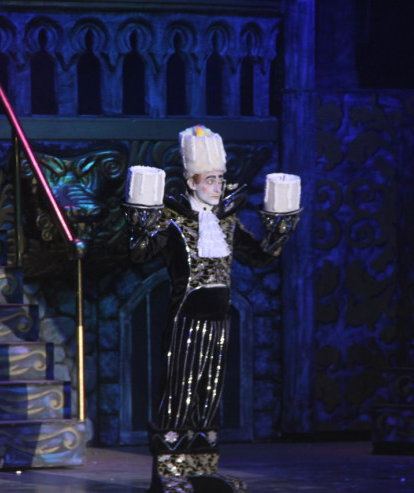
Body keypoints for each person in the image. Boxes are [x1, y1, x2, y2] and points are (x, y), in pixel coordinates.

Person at [124, 125, 299, 493]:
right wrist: (141, 224)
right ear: (192, 182)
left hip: (219, 318)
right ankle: (170, 468)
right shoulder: (174, 220)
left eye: (220, 178)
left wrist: (279, 230)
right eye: (210, 179)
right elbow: (140, 254)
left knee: (209, 389)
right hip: (186, 317)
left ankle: (203, 466)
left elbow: (260, 256)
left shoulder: (227, 221)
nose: (218, 186)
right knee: (180, 389)